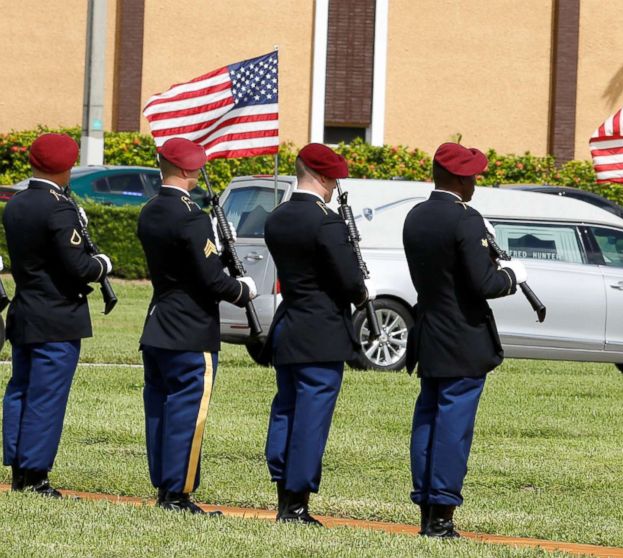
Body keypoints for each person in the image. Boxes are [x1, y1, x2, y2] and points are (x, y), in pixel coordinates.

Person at [402, 142, 526, 537]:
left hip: (430, 332)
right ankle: (441, 518)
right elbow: (484, 283)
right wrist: (512, 275)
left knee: (428, 421)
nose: (475, 182)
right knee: (453, 428)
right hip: (463, 336)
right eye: (471, 176)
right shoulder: (465, 220)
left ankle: (426, 506)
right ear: (457, 178)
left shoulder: (415, 215)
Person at [137, 138, 257, 514]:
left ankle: (163, 486)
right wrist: (243, 290)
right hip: (190, 330)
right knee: (188, 415)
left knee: (159, 410)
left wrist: (217, 250)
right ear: (189, 171)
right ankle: (178, 493)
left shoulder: (150, 210)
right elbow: (210, 280)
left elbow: (184, 264)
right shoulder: (192, 215)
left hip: (159, 323)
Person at [260, 143, 374, 524]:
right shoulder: (326, 221)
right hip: (321, 331)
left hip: (289, 325)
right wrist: (361, 291)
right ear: (323, 176)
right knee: (311, 418)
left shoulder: (277, 218)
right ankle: (296, 505)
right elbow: (348, 279)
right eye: (334, 179)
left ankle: (282, 490)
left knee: (287, 411)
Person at [2, 133, 112, 497]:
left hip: (26, 309)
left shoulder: (16, 203)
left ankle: (19, 469)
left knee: (21, 389)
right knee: (46, 397)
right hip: (58, 315)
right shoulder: (58, 207)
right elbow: (79, 266)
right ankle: (36, 476)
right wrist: (103, 263)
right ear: (66, 168)